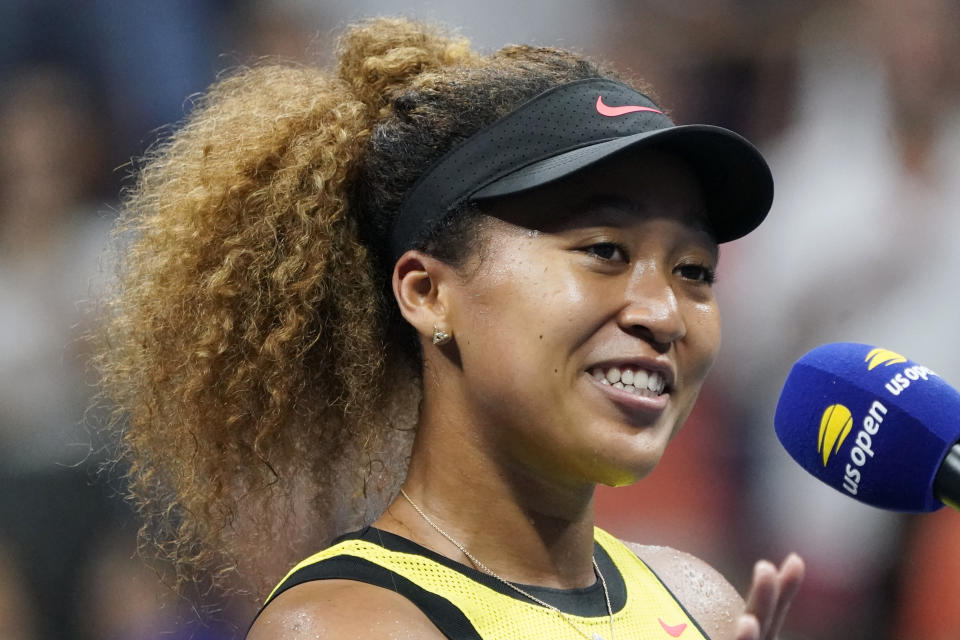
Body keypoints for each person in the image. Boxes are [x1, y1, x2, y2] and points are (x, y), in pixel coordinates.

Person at [94, 17, 804, 640]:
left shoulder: (703, 604)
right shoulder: (347, 625)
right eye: (604, 252)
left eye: (695, 270)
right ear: (427, 292)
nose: (663, 312)